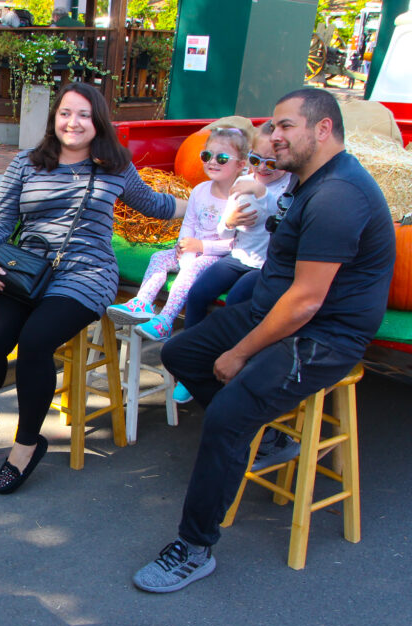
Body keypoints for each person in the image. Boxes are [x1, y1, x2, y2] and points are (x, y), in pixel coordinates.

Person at [132, 88, 395, 593]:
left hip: (323, 335)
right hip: (272, 311)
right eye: (272, 126)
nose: (273, 136)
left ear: (323, 129)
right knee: (181, 352)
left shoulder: (339, 195)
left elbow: (306, 302)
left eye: (285, 126)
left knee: (227, 416)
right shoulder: (306, 180)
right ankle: (270, 438)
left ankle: (194, 548)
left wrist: (240, 352)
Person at [0, 82, 186, 495]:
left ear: (98, 122)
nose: (72, 122)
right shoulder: (26, 163)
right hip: (29, 270)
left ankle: (26, 445)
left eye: (83, 115)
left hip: (87, 275)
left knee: (35, 341)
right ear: (54, 118)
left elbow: (156, 206)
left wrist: (211, 202)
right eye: (65, 113)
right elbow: (3, 219)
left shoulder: (114, 166)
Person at [173, 122, 292, 404]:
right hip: (238, 256)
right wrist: (229, 221)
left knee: (237, 300)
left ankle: (228, 364)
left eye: (272, 162)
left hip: (264, 264)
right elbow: (225, 231)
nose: (262, 168)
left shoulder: (287, 187)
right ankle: (192, 365)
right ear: (248, 159)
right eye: (256, 160)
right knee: (198, 293)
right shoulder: (243, 182)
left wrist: (261, 192)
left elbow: (279, 214)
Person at [106, 127, 250, 341]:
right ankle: (142, 302)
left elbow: (237, 243)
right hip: (191, 248)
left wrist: (201, 247)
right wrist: (182, 245)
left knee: (190, 270)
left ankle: (166, 320)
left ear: (240, 164)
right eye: (206, 156)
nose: (212, 162)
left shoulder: (240, 199)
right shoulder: (200, 191)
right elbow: (189, 221)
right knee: (159, 257)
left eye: (221, 158)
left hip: (216, 255)